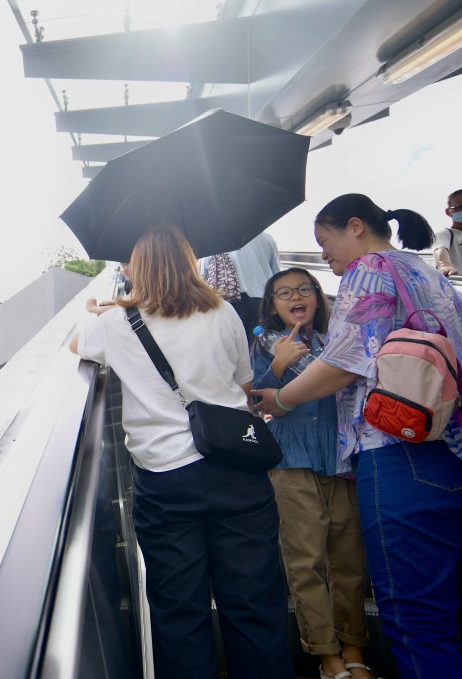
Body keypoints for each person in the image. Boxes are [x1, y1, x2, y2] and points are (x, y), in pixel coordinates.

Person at [252, 193, 462, 679]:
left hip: (404, 454)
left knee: (419, 624)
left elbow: (344, 359)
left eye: (325, 241)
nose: (323, 255)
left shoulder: (370, 269)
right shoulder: (424, 272)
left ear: (355, 226)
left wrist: (281, 399)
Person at [70, 226, 293, 679]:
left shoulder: (116, 325)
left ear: (139, 268)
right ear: (190, 261)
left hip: (166, 481)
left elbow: (76, 343)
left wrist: (108, 310)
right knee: (255, 605)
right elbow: (245, 385)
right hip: (237, 474)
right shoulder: (224, 312)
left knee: (179, 613)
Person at [251, 268, 373, 679]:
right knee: (306, 562)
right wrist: (278, 368)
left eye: (304, 289)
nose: (295, 297)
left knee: (350, 561)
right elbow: (254, 403)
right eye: (283, 293)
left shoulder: (336, 340)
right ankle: (327, 657)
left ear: (318, 298)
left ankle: (355, 649)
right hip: (290, 462)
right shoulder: (264, 343)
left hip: (340, 462)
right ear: (272, 306)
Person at [199, 232, 282, 340]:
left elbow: (204, 275)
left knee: (235, 343)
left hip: (229, 302)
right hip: (262, 299)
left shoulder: (214, 241)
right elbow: (277, 274)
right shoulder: (266, 238)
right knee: (259, 343)